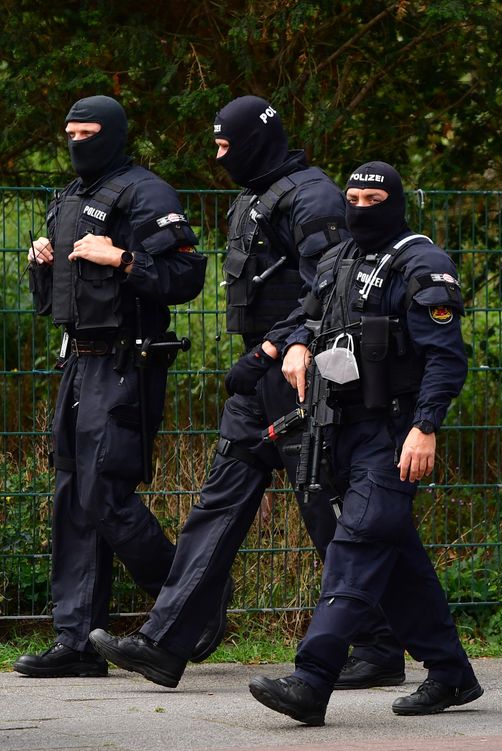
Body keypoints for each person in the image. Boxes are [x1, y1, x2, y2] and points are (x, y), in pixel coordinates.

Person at [89, 96, 406, 690]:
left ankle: (378, 643)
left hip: (297, 375)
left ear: (253, 142)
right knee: (217, 504)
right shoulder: (256, 193)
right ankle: (164, 643)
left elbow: (333, 291)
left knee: (323, 508)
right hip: (257, 377)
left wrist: (282, 349)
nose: (216, 156)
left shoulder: (312, 198)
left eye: (224, 145)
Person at [247, 161, 480, 726]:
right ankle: (451, 673)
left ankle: (311, 679)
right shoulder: (338, 259)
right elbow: (307, 317)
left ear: (394, 202)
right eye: (351, 197)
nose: (358, 206)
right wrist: (297, 344)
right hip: (340, 428)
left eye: (372, 198)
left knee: (357, 544)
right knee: (394, 555)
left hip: (396, 429)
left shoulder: (422, 265)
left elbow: (446, 357)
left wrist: (426, 427)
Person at [16, 96, 207, 677]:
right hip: (77, 361)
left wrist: (122, 257)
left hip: (127, 363)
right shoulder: (68, 198)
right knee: (73, 497)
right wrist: (42, 264)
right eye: (69, 132)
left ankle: (191, 611)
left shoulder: (146, 193)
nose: (77, 142)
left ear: (115, 134)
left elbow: (186, 276)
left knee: (105, 493)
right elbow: (59, 304)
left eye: (88, 132)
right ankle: (76, 644)